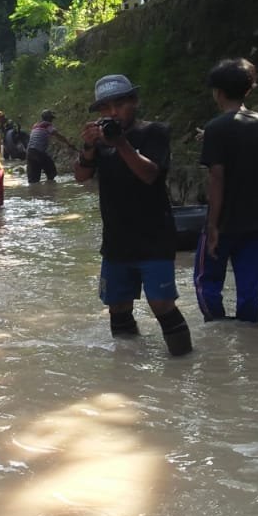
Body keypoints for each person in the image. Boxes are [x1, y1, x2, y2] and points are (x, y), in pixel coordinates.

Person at [75, 74, 192, 356]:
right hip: (116, 239)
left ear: (134, 102)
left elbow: (150, 174)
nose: (113, 113)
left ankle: (185, 364)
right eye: (106, 108)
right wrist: (89, 147)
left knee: (162, 304)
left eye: (119, 104)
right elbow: (81, 176)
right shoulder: (101, 140)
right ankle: (126, 366)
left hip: (155, 236)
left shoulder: (154, 132)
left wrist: (120, 143)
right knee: (117, 306)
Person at [194, 58, 258, 323]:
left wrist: (212, 226)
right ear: (248, 89)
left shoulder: (216, 128)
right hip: (256, 219)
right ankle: (248, 332)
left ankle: (218, 329)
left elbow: (217, 177)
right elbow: (242, 145)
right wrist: (211, 137)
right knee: (250, 288)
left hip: (225, 221)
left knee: (207, 282)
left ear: (218, 92)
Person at [26, 109, 65, 183]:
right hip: (38, 152)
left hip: (29, 153)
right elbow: (58, 136)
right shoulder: (48, 125)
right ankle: (51, 188)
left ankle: (35, 190)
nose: (52, 120)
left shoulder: (35, 126)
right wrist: (68, 143)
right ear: (49, 118)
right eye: (51, 118)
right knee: (52, 172)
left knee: (33, 180)